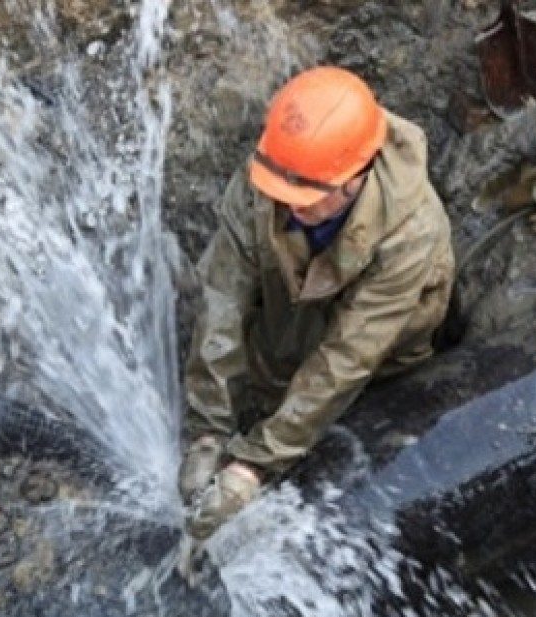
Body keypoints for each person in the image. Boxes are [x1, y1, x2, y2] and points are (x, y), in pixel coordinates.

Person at [179, 66, 455, 540]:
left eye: (307, 196)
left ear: (355, 179)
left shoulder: (412, 233)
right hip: (287, 326)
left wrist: (254, 465)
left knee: (344, 450)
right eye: (283, 191)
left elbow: (348, 357)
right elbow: (223, 297)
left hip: (379, 366)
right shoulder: (275, 170)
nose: (290, 205)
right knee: (264, 374)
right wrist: (208, 428)